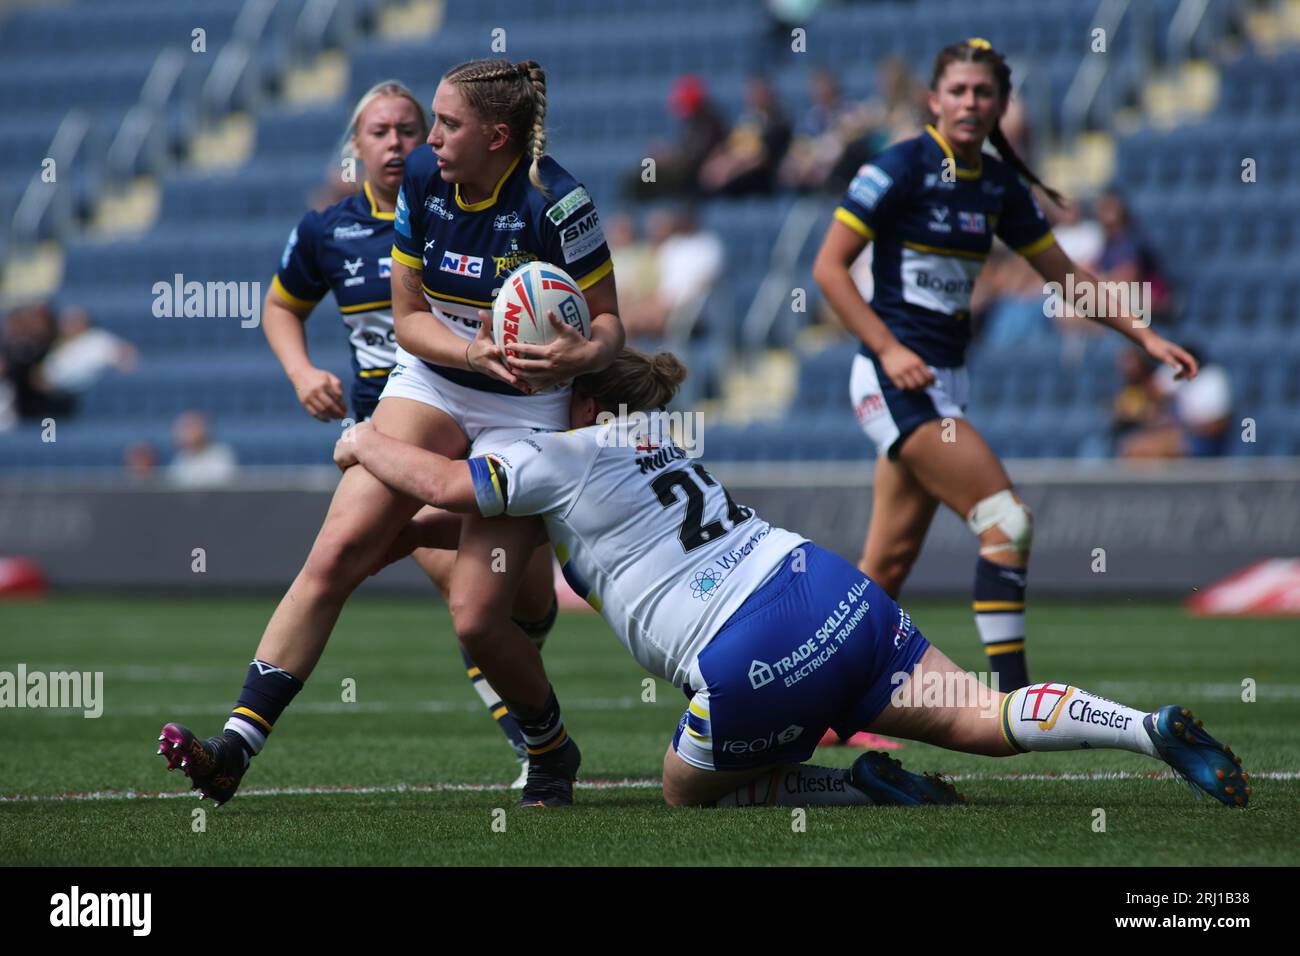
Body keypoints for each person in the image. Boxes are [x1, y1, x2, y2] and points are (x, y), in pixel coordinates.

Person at [320, 348, 1248, 810]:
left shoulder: (555, 456)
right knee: (982, 716)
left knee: (683, 788)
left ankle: (849, 787)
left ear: (580, 402)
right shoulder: (647, 435)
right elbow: (460, 512)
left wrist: (364, 439)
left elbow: (445, 483)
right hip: (827, 585)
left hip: (750, 648)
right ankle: (1142, 727)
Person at [157, 58, 624, 809]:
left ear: (497, 136)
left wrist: (580, 355)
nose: (425, 138)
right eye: (420, 124)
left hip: (529, 407)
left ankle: (549, 748)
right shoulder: (420, 182)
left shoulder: (558, 202)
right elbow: (409, 320)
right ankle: (235, 749)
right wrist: (474, 349)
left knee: (479, 619)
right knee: (339, 548)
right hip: (437, 376)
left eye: (443, 125)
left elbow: (609, 328)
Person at [811, 39, 1199, 693]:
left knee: (885, 567)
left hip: (942, 386)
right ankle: (1015, 698)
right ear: (934, 100)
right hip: (893, 378)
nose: (970, 102)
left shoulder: (996, 186)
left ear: (1001, 104)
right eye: (958, 91)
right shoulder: (898, 167)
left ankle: (818, 708)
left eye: (983, 92)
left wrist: (1145, 337)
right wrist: (890, 348)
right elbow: (826, 269)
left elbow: (1068, 278)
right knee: (1007, 522)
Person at [261, 80, 556, 781]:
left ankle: (531, 704)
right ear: (355, 146)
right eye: (379, 132)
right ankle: (534, 744)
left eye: (409, 129)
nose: (396, 143)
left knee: (530, 600)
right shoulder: (328, 231)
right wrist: (302, 373)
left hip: (494, 418)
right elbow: (279, 308)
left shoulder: (468, 208)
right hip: (397, 434)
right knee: (469, 597)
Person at [167, 411, 238, 489]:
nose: (184, 433)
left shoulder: (221, 454)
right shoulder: (180, 459)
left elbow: (223, 485)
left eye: (190, 427)